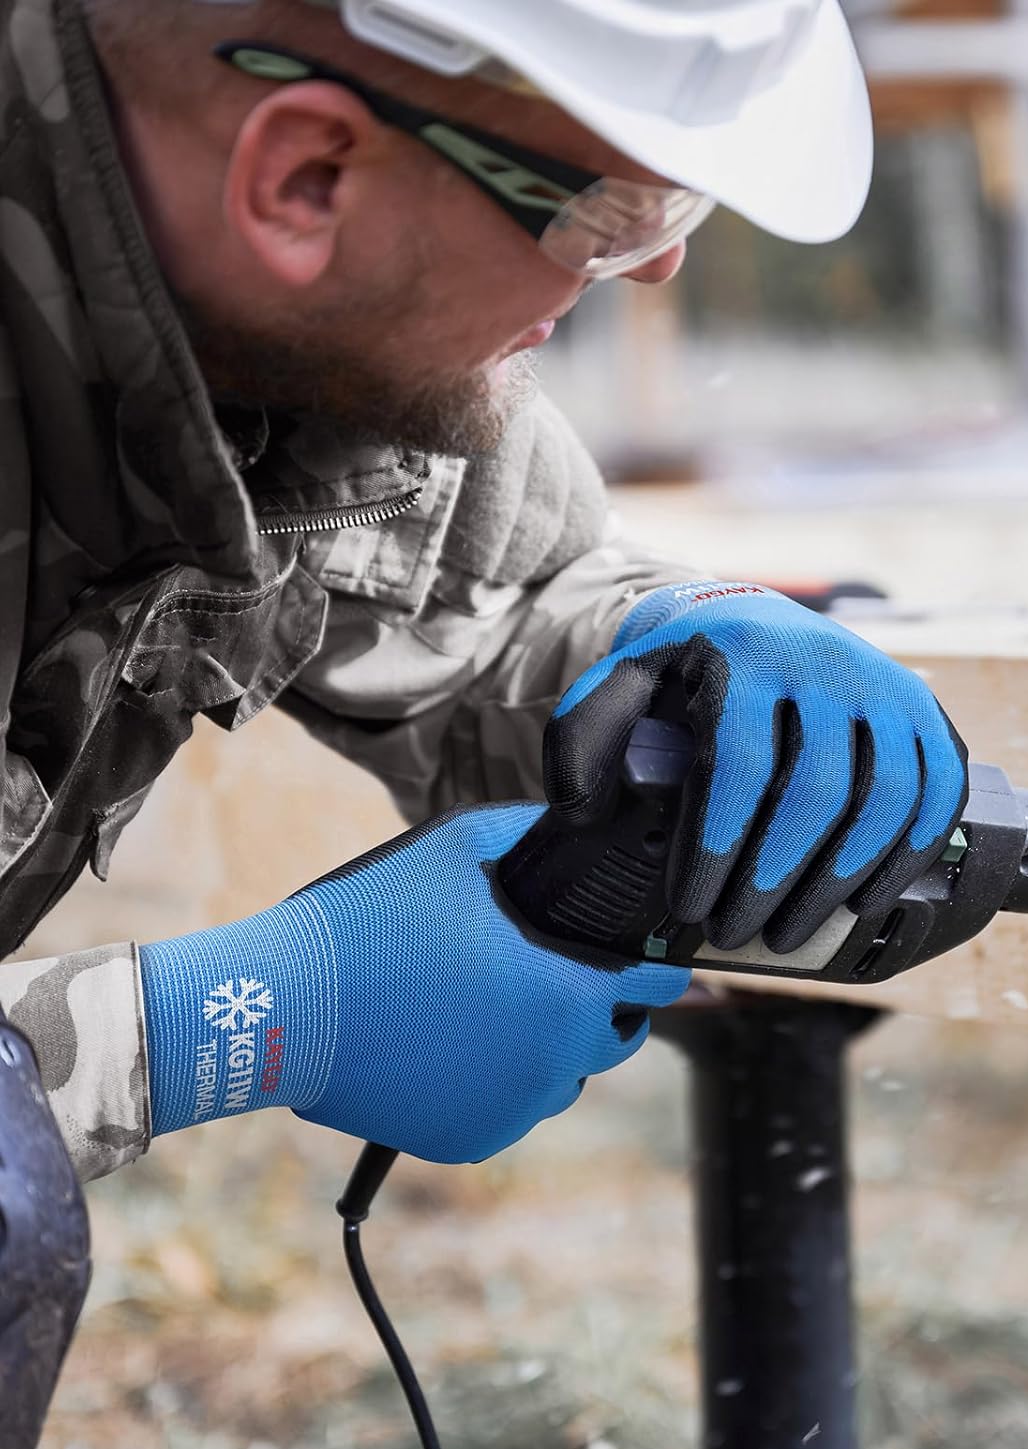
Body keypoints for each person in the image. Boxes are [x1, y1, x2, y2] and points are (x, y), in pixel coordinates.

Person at [0, 0, 968, 1188]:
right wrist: (208, 1031)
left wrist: (676, 639)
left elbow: (499, 597)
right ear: (304, 181)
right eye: (610, 210)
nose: (655, 264)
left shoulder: (322, 329)